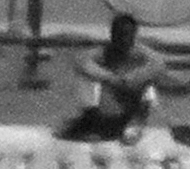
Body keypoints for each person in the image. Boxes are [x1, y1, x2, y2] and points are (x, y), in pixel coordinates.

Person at [58, 14, 169, 144]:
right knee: (86, 80)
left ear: (133, 35)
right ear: (112, 34)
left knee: (149, 88)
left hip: (133, 102)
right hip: (110, 101)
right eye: (118, 34)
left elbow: (159, 64)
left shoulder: (141, 53)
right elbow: (82, 62)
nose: (122, 39)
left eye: (126, 34)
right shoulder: (105, 52)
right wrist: (110, 78)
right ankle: (90, 118)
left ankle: (134, 124)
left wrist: (132, 79)